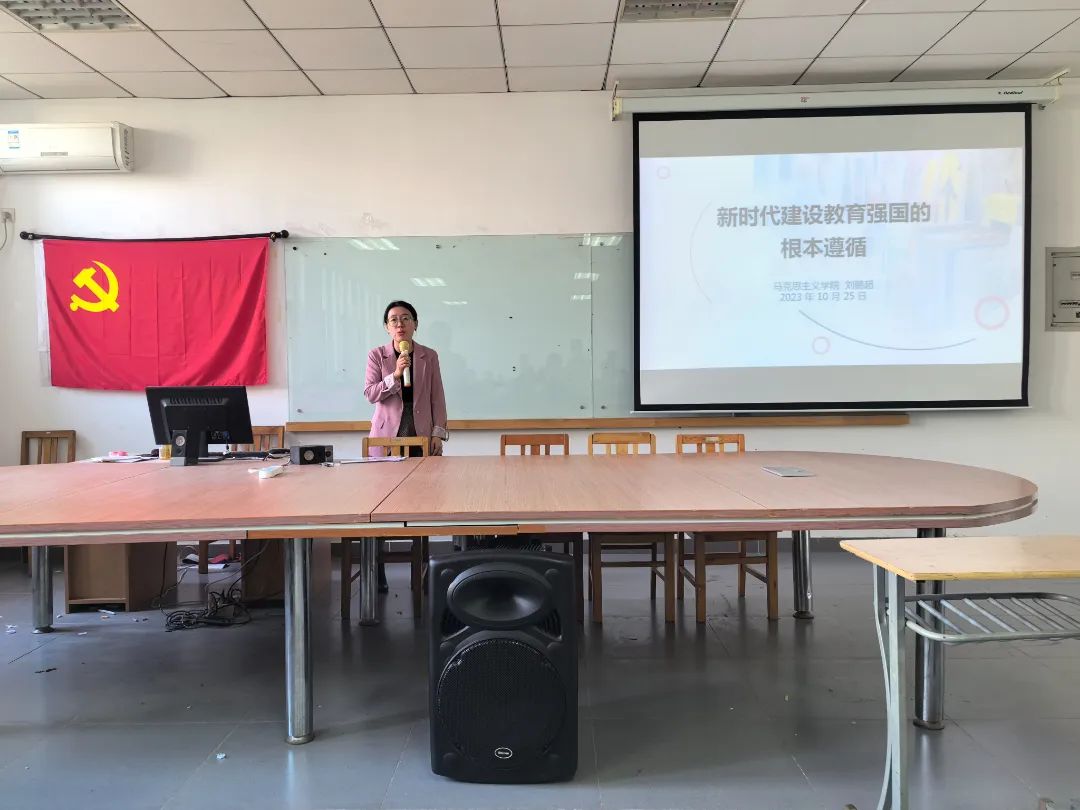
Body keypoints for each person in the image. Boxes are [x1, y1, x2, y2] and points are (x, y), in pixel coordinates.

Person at [364, 300, 449, 457]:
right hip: (386, 435)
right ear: (387, 327)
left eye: (405, 318)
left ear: (415, 324)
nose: (400, 324)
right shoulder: (376, 355)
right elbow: (370, 394)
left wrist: (438, 434)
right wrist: (395, 375)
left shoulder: (429, 356)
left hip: (421, 432)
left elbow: (437, 398)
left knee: (426, 473)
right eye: (393, 320)